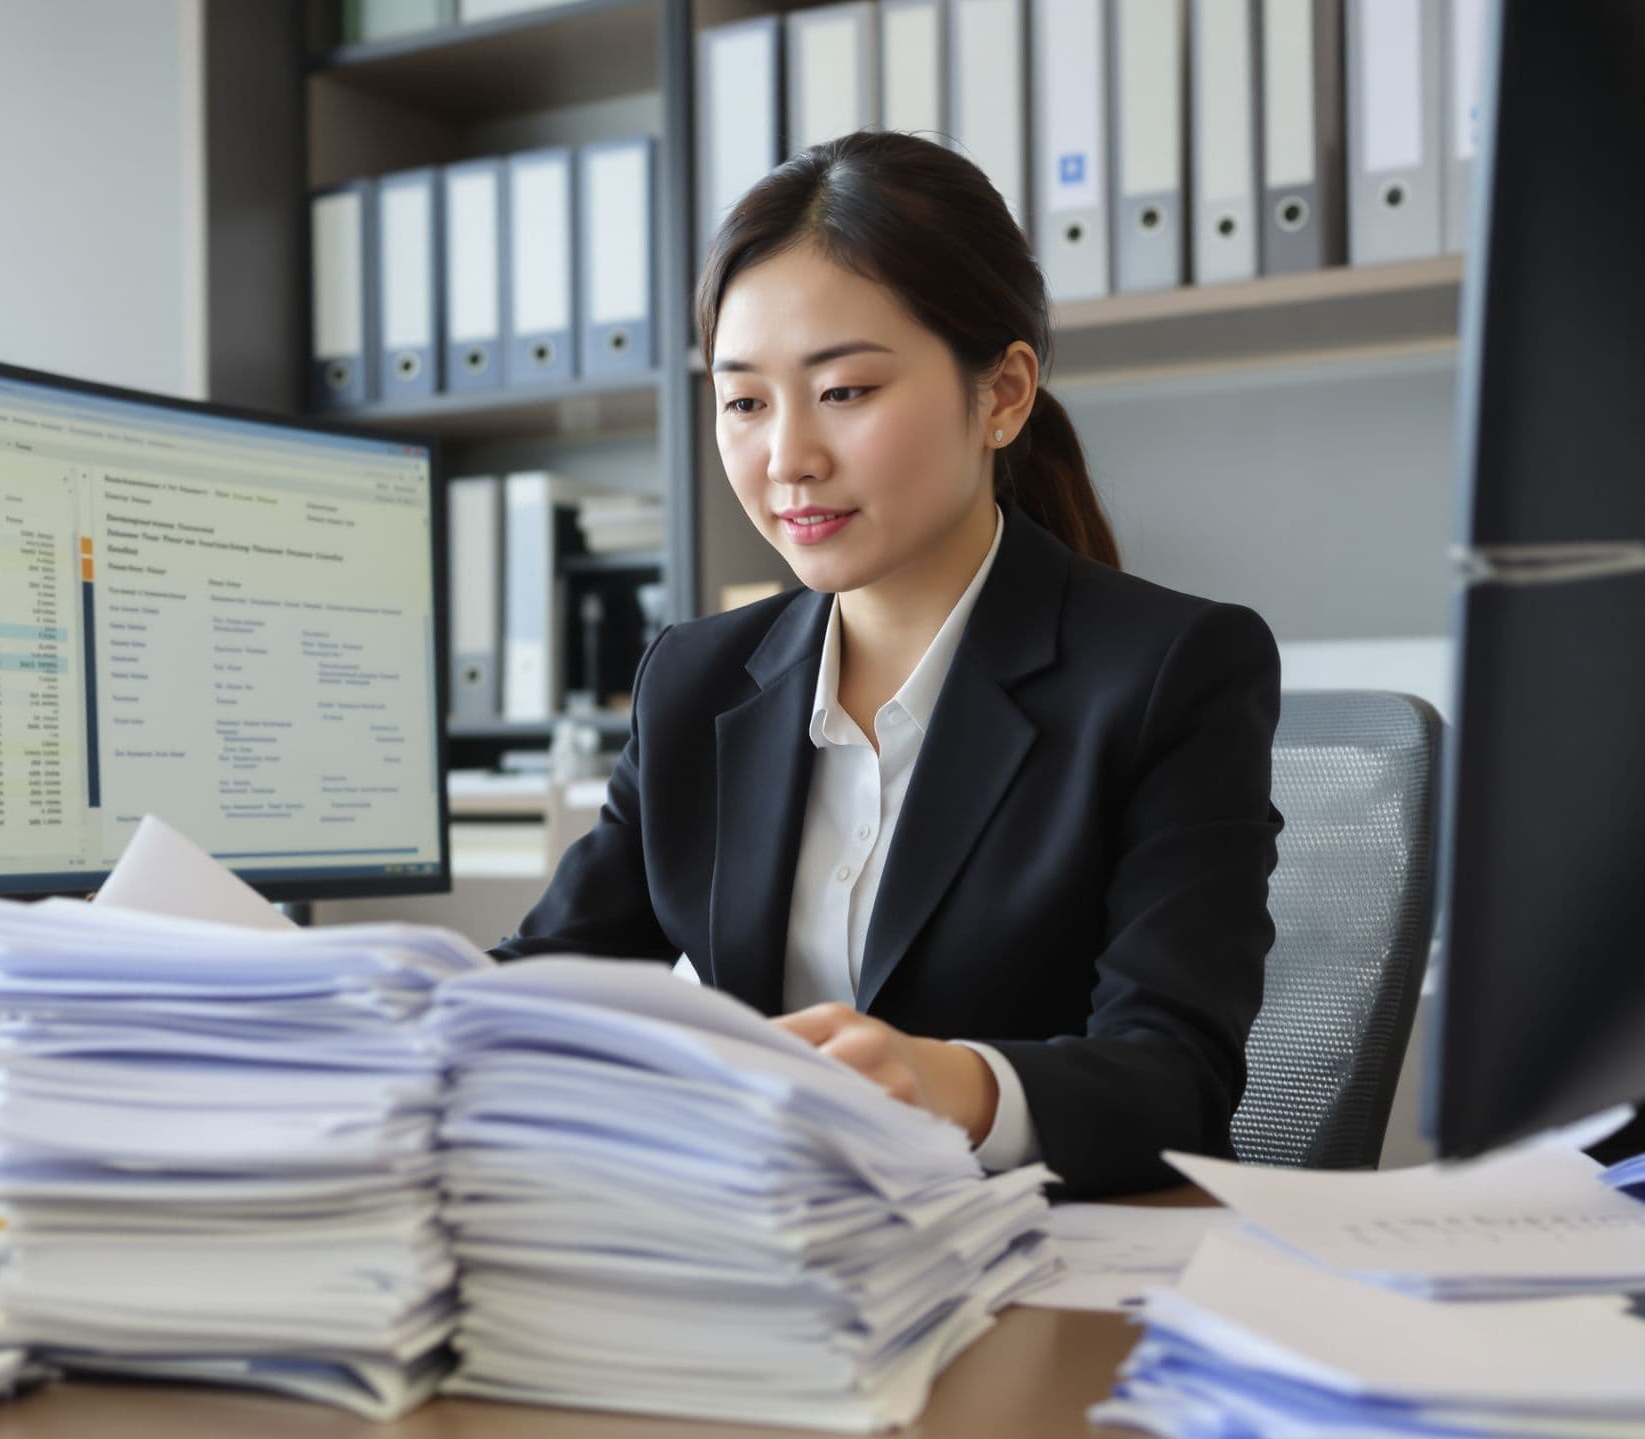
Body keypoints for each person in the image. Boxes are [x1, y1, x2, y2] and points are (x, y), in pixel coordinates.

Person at [492, 131, 1282, 1198]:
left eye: (845, 391)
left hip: (1052, 1269)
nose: (786, 460)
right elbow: (544, 985)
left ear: (1000, 395)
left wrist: (949, 1081)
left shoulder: (1170, 672)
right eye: (744, 402)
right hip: (779, 1267)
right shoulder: (695, 681)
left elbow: (1175, 1077)